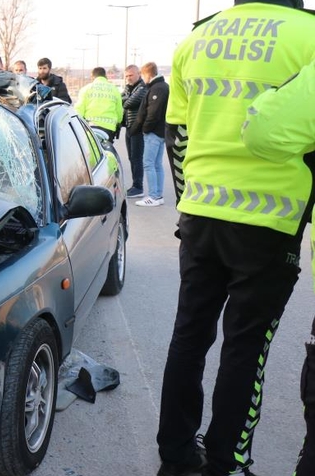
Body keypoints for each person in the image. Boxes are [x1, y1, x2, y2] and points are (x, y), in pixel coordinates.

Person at [157, 1, 315, 475]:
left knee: (188, 336)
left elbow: (177, 136)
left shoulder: (198, 37)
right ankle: (226, 462)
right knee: (246, 348)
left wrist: (187, 205)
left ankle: (176, 457)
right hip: (271, 221)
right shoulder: (308, 33)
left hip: (202, 214)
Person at [241, 58, 315, 476]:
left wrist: (273, 94)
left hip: (217, 217)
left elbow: (264, 131)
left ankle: (222, 460)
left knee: (233, 342)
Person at [131, 62, 169, 207]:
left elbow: (153, 113)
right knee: (157, 164)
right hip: (160, 131)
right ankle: (158, 195)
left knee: (148, 163)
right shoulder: (162, 86)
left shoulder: (157, 88)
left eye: (142, 74)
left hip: (154, 132)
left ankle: (153, 196)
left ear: (147, 74)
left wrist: (145, 129)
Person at [75, 67, 123, 139]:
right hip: (109, 127)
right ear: (105, 76)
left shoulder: (86, 89)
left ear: (92, 76)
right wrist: (118, 122)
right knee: (106, 149)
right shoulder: (114, 89)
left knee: (90, 149)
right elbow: (119, 110)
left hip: (90, 127)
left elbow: (79, 110)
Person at [121, 64, 147, 198]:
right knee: (131, 158)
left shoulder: (143, 88)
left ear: (139, 74)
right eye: (126, 76)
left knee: (137, 158)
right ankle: (135, 185)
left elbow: (127, 103)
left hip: (137, 128)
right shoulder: (129, 89)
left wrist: (125, 99)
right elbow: (121, 99)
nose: (128, 78)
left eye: (131, 75)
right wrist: (125, 97)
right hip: (129, 127)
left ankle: (138, 186)